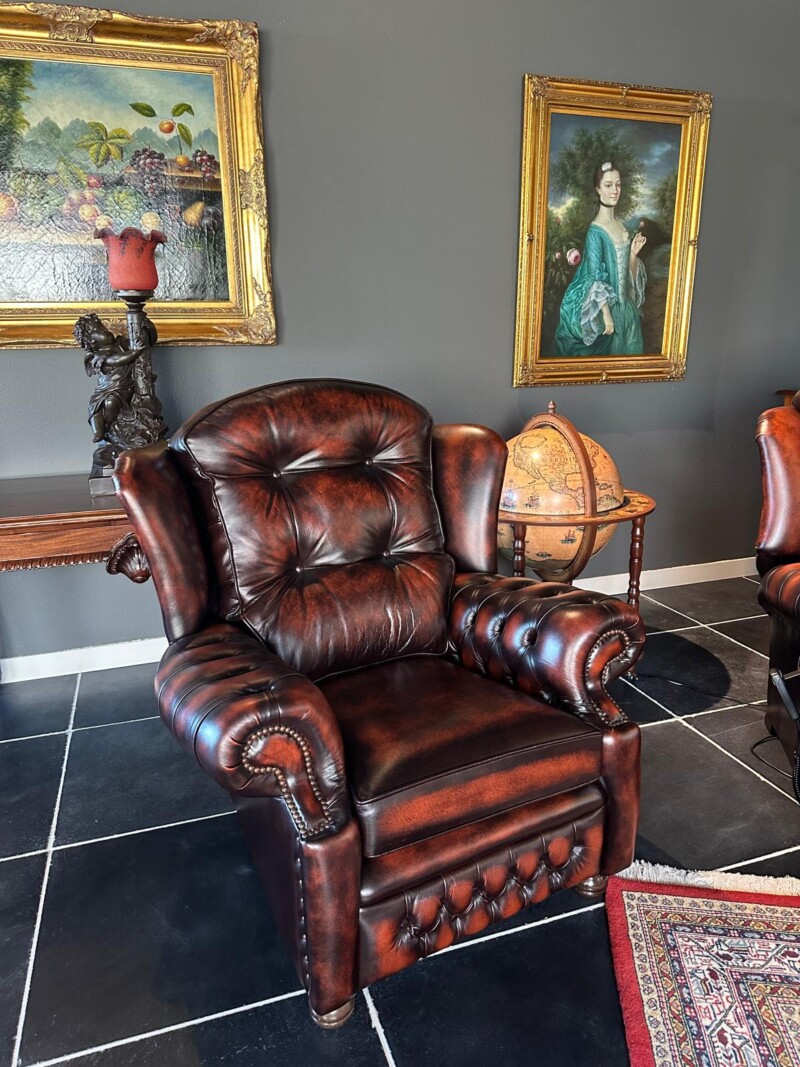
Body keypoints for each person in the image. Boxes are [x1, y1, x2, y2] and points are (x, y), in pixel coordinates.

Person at [554, 161, 647, 357]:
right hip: (610, 312)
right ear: (598, 189)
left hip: (627, 312)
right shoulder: (595, 232)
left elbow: (626, 280)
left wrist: (633, 255)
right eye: (608, 185)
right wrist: (606, 315)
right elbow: (595, 277)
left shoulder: (621, 226)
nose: (615, 191)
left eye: (618, 184)